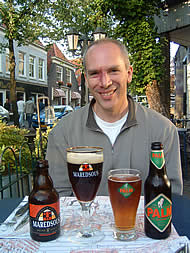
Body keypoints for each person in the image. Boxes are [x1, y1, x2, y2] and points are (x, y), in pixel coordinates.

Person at [46, 38, 183, 197]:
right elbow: (58, 198)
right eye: (95, 73)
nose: (105, 82)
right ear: (87, 79)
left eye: (113, 71)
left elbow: (170, 199)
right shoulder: (62, 133)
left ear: (129, 74)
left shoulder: (163, 131)